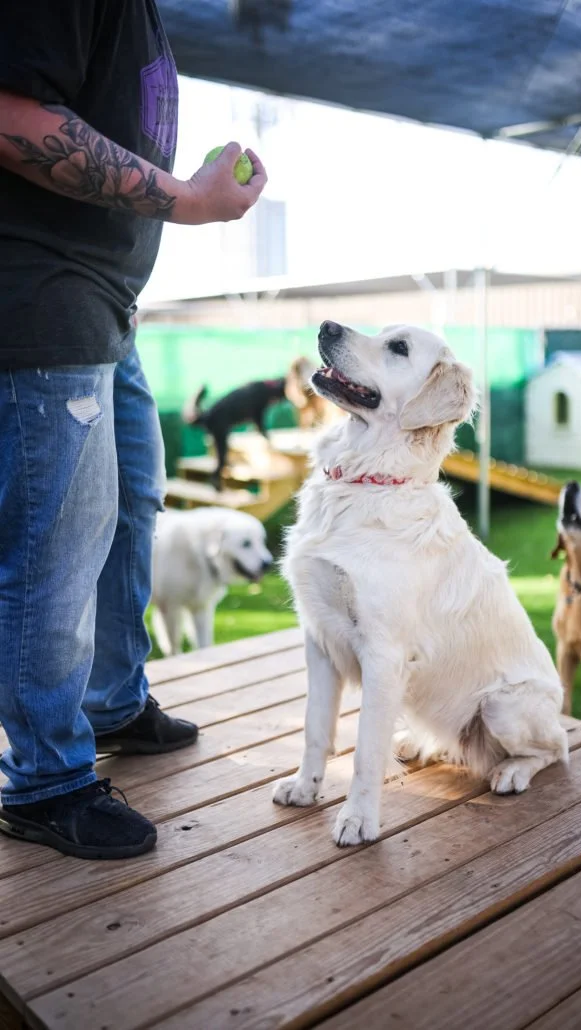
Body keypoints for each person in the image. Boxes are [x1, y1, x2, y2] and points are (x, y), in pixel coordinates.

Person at [0, 2, 267, 860]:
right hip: (43, 297)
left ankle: (114, 701)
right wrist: (186, 198)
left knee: (132, 509)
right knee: (54, 549)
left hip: (109, 308)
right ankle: (45, 780)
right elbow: (11, 116)